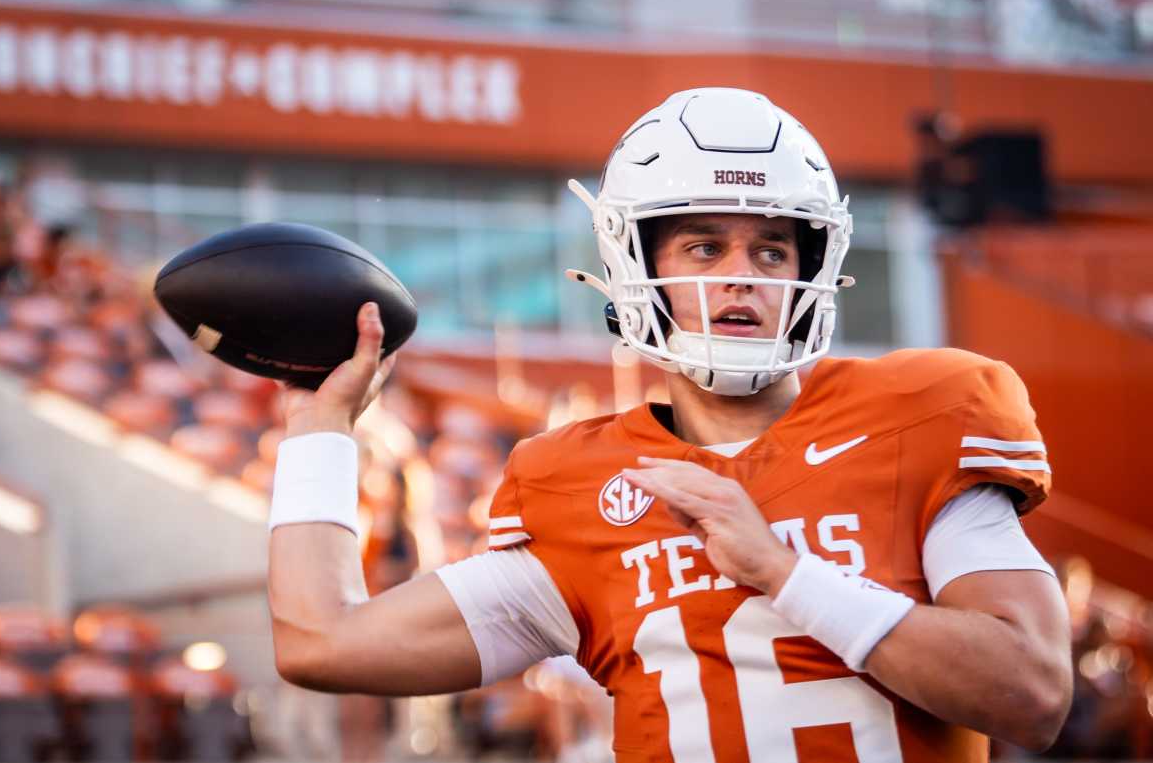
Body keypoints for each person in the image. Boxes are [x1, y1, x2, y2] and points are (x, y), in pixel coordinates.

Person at [267, 88, 1072, 762]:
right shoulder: (575, 486)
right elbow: (322, 644)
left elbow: (1033, 693)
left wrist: (785, 572)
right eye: (703, 246)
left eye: (770, 251)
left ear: (811, 265)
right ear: (636, 269)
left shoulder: (920, 414)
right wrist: (319, 428)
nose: (742, 278)